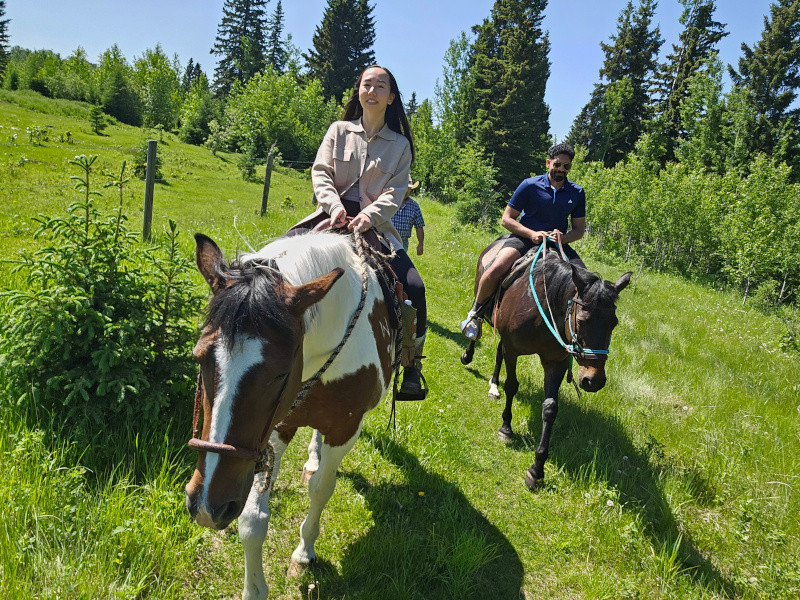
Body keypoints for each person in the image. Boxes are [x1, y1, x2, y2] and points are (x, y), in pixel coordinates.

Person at [296, 65, 428, 397]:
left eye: (379, 86)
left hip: (376, 226)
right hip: (331, 214)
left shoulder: (400, 146)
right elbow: (321, 172)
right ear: (358, 91)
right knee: (276, 256)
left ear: (391, 97)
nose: (371, 90)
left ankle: (411, 366)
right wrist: (333, 206)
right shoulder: (338, 130)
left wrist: (368, 216)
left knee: (415, 287)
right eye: (366, 84)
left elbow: (395, 192)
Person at [460, 142, 586, 340]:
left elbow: (579, 230)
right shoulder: (529, 185)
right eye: (557, 164)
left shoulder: (577, 192)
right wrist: (531, 234)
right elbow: (506, 219)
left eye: (566, 166)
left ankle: (577, 332)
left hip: (557, 244)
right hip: (525, 238)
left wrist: (563, 237)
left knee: (586, 282)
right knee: (496, 267)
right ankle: (474, 314)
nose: (561, 169)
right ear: (548, 163)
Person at [391, 177, 425, 255]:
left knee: (399, 265)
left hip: (403, 243)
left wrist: (420, 244)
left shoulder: (414, 206)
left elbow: (419, 226)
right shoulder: (390, 201)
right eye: (404, 187)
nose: (406, 190)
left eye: (408, 188)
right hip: (387, 241)